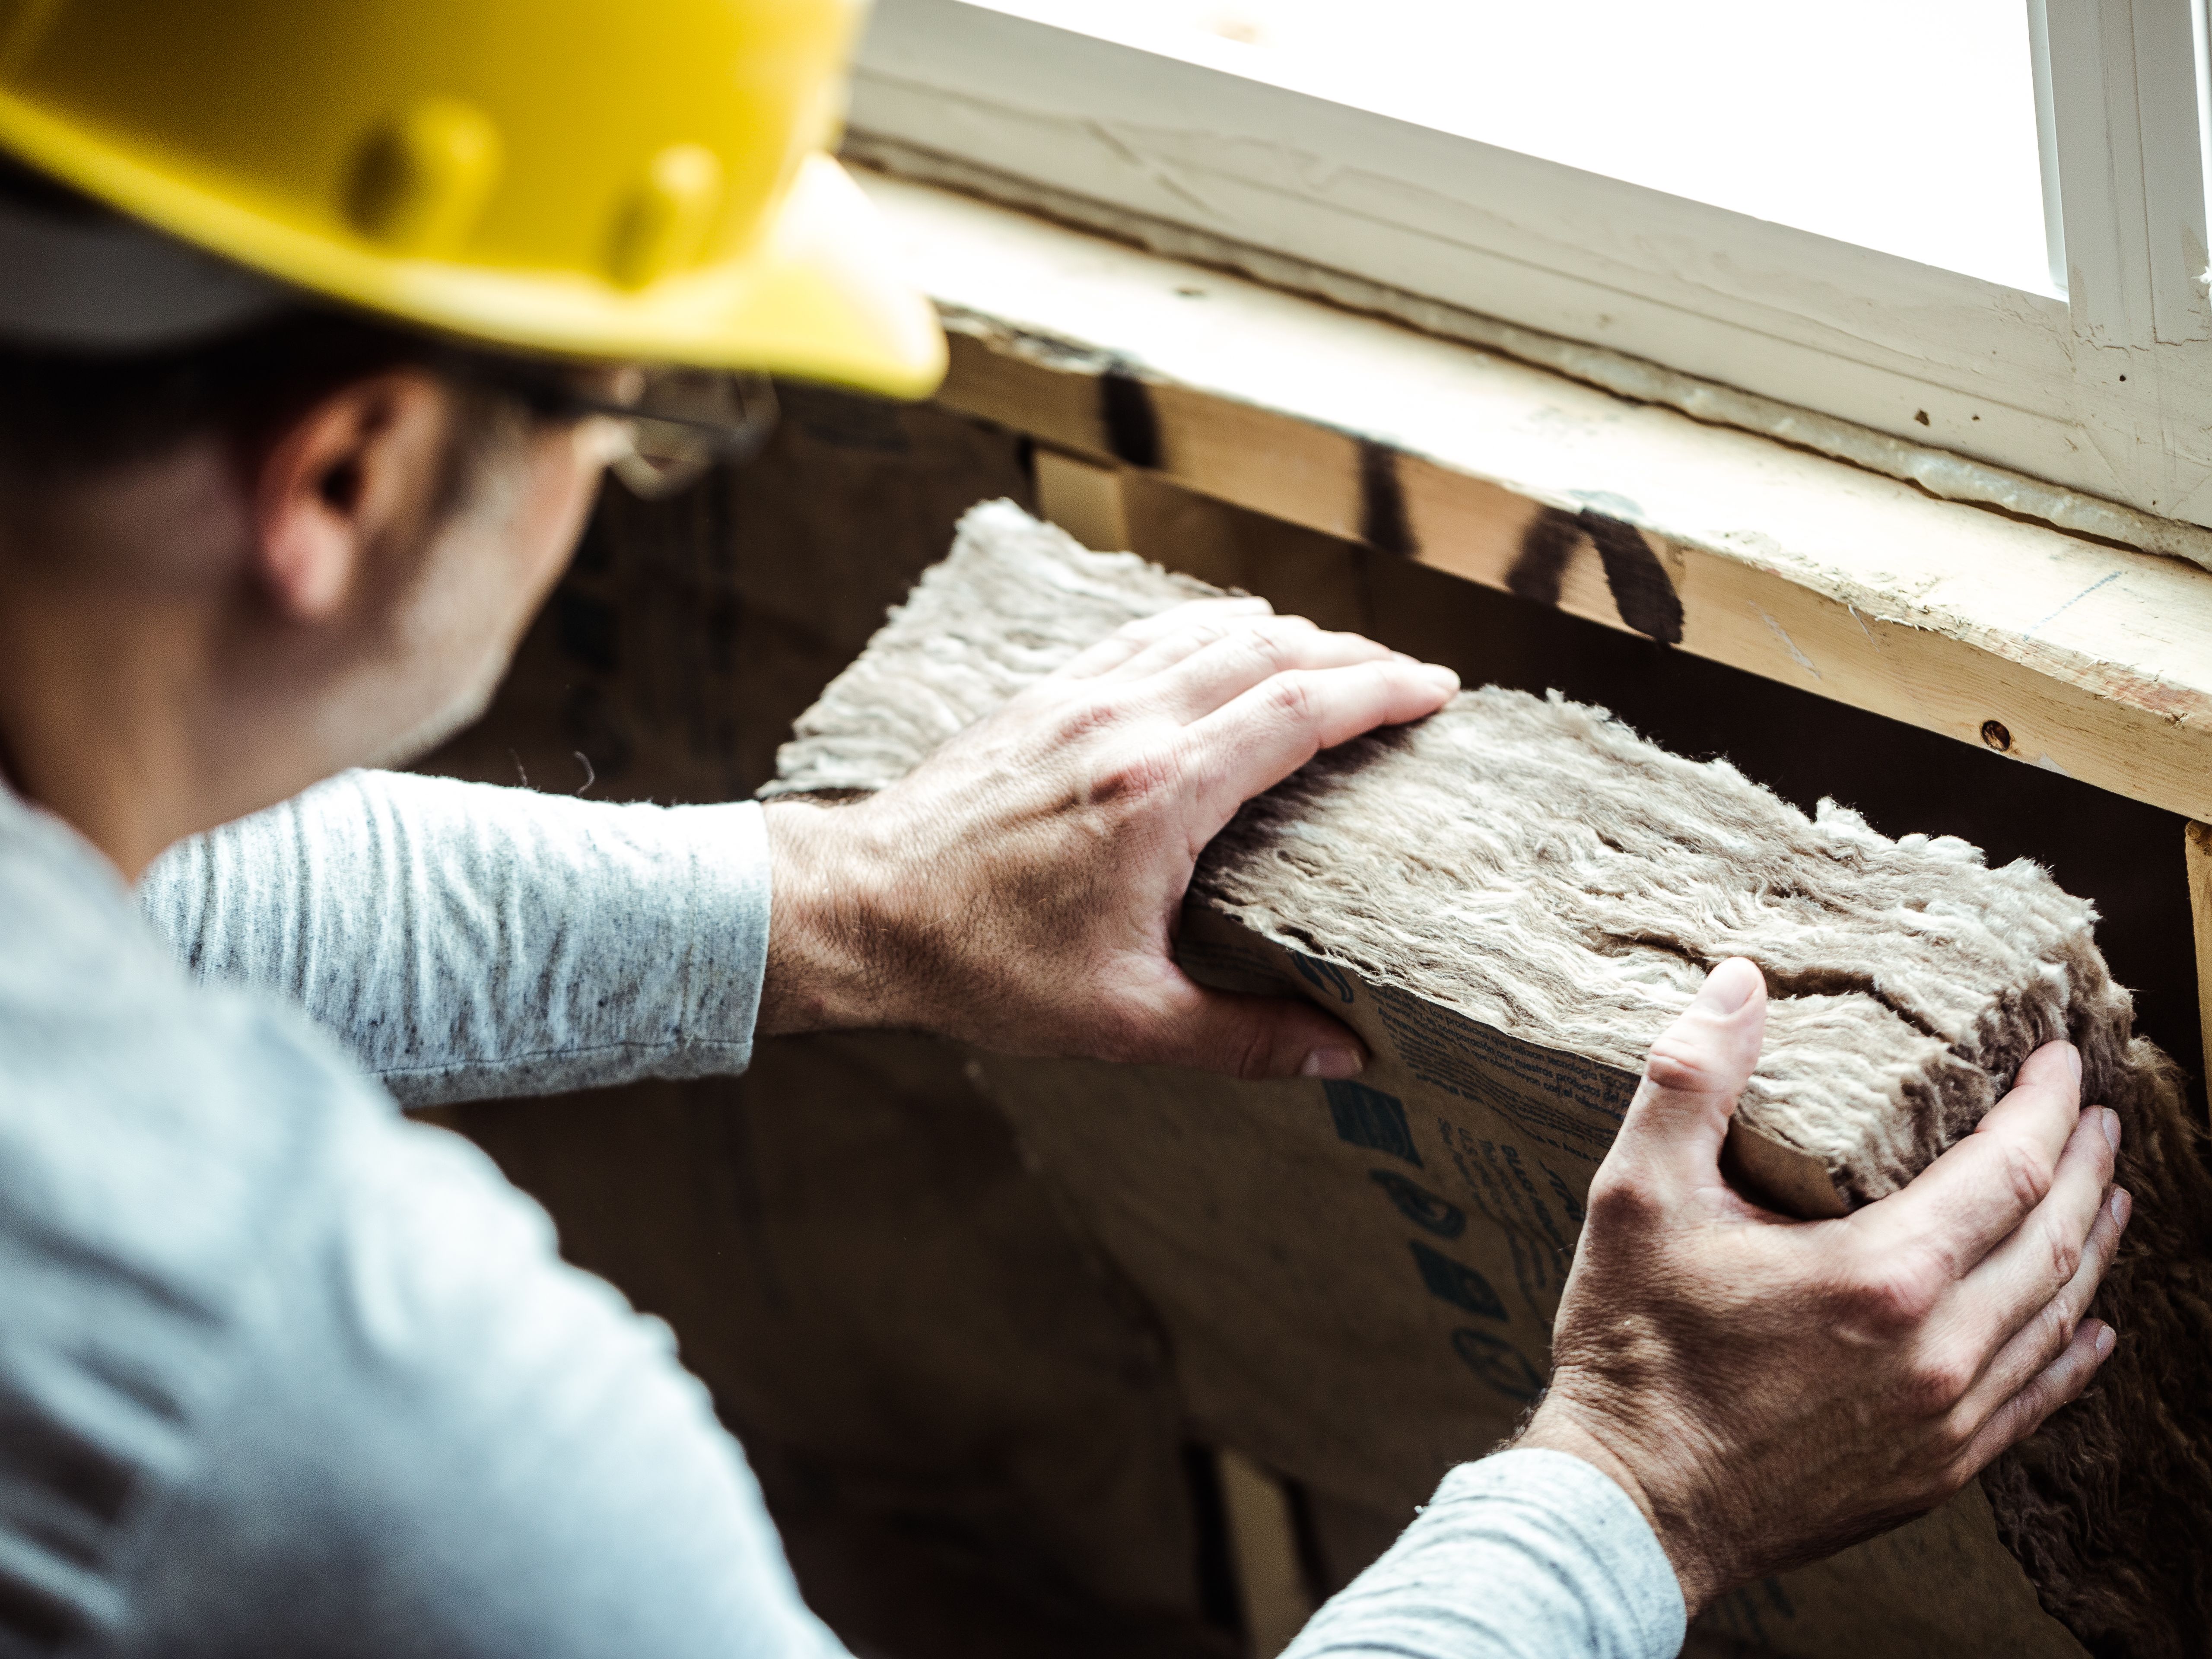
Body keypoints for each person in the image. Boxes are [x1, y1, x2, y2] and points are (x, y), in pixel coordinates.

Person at [0, 4, 2126, 1655]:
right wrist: (1635, 1492)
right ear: (347, 481)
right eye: (634, 421)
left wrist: (831, 901)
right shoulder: (311, 1382)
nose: (619, 471)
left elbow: (106, 912)